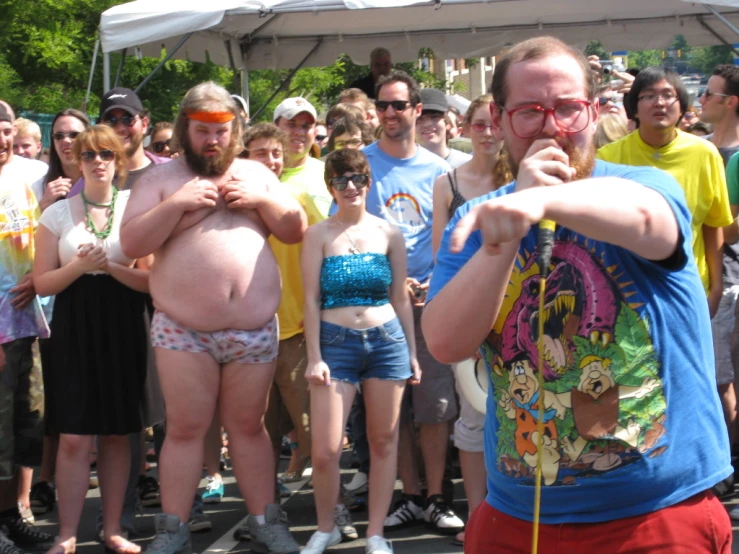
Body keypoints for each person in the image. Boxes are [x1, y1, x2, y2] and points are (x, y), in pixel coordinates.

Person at [423, 35, 732, 553]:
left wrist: (545, 199)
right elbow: (445, 343)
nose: (552, 126)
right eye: (530, 111)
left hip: (654, 521)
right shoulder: (482, 219)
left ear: (593, 111)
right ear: (498, 120)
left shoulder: (642, 184)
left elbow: (649, 222)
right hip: (517, 521)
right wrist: (503, 243)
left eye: (568, 108)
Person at [120, 81, 306, 554]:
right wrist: (177, 204)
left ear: (236, 132)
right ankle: (172, 529)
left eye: (220, 132)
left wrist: (264, 201)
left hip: (253, 330)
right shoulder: (160, 181)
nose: (212, 141)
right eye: (201, 131)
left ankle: (267, 521)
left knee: (248, 427)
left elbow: (294, 229)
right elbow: (133, 244)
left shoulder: (256, 174)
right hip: (184, 331)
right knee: (184, 430)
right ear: (185, 130)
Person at [351, 70, 463, 534]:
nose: (390, 113)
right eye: (382, 106)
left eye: (399, 105)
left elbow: (454, 241)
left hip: (429, 300)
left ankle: (436, 495)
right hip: (377, 301)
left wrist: (433, 281)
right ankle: (410, 493)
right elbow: (347, 230)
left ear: (418, 110)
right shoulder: (359, 162)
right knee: (389, 406)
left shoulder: (442, 172)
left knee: (434, 404)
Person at [33, 125, 149, 554]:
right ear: (76, 162)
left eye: (105, 153)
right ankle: (67, 533)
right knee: (75, 436)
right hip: (74, 327)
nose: (97, 161)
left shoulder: (137, 208)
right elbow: (43, 283)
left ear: (118, 160)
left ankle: (114, 528)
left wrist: (112, 268)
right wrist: (80, 268)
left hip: (123, 323)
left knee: (118, 433)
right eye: (87, 155)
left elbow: (152, 278)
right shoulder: (57, 213)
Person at [301, 148, 420, 554]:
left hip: (387, 343)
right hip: (335, 346)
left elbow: (401, 297)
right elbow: (311, 300)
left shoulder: (390, 233)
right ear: (330, 186)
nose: (350, 187)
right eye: (340, 180)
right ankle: (325, 526)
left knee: (384, 441)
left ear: (369, 181)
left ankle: (375, 533)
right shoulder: (317, 234)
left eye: (357, 178)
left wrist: (414, 353)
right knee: (326, 449)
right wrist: (314, 355)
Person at [429, 93, 504, 547]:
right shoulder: (448, 184)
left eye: (496, 124)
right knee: (474, 419)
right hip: (470, 314)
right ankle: (480, 516)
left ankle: (509, 510)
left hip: (517, 316)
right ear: (466, 128)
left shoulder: (523, 179)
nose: (489, 132)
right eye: (480, 124)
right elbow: (444, 259)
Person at [598, 67, 732, 320]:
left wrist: (715, 289)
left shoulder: (705, 154)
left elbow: (713, 225)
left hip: (688, 291)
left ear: (682, 106)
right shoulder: (608, 158)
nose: (659, 102)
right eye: (648, 96)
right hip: (629, 294)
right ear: (634, 108)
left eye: (667, 95)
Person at [0, 100, 54, 554]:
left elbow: (40, 239)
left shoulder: (25, 179)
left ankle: (10, 517)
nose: (1, 139)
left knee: (25, 427)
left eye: (4, 130)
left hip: (24, 324)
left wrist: (39, 274)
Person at [274, 97, 332, 217]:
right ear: (275, 127)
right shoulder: (259, 173)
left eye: (306, 126)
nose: (299, 132)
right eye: (291, 124)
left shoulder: (330, 173)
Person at [39, 109, 91, 212]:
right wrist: (45, 203)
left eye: (74, 135)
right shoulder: (40, 187)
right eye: (59, 136)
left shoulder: (104, 180)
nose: (66, 140)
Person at [416, 89, 472, 169]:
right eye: (420, 119)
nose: (427, 124)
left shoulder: (468, 165)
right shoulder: (401, 168)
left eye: (434, 117)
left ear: (446, 123)